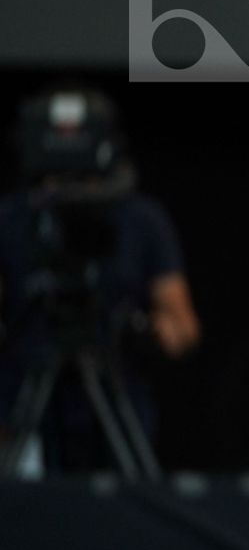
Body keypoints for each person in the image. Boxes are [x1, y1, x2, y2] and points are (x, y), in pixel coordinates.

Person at [0, 86, 200, 475]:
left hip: (115, 392)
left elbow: (183, 325)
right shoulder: (12, 219)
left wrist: (156, 331)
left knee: (124, 502)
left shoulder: (141, 219)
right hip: (26, 396)